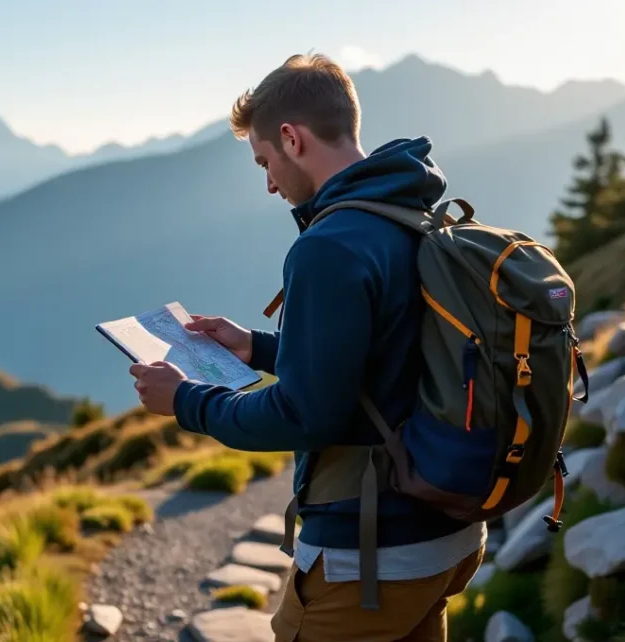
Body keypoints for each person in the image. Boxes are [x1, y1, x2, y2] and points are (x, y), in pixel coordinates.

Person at [127, 53, 485, 641]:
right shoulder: (410, 210)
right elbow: (388, 355)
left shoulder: (330, 246)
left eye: (265, 161)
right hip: (448, 536)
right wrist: (257, 347)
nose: (270, 182)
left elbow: (302, 415)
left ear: (292, 139)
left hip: (369, 554)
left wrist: (185, 400)